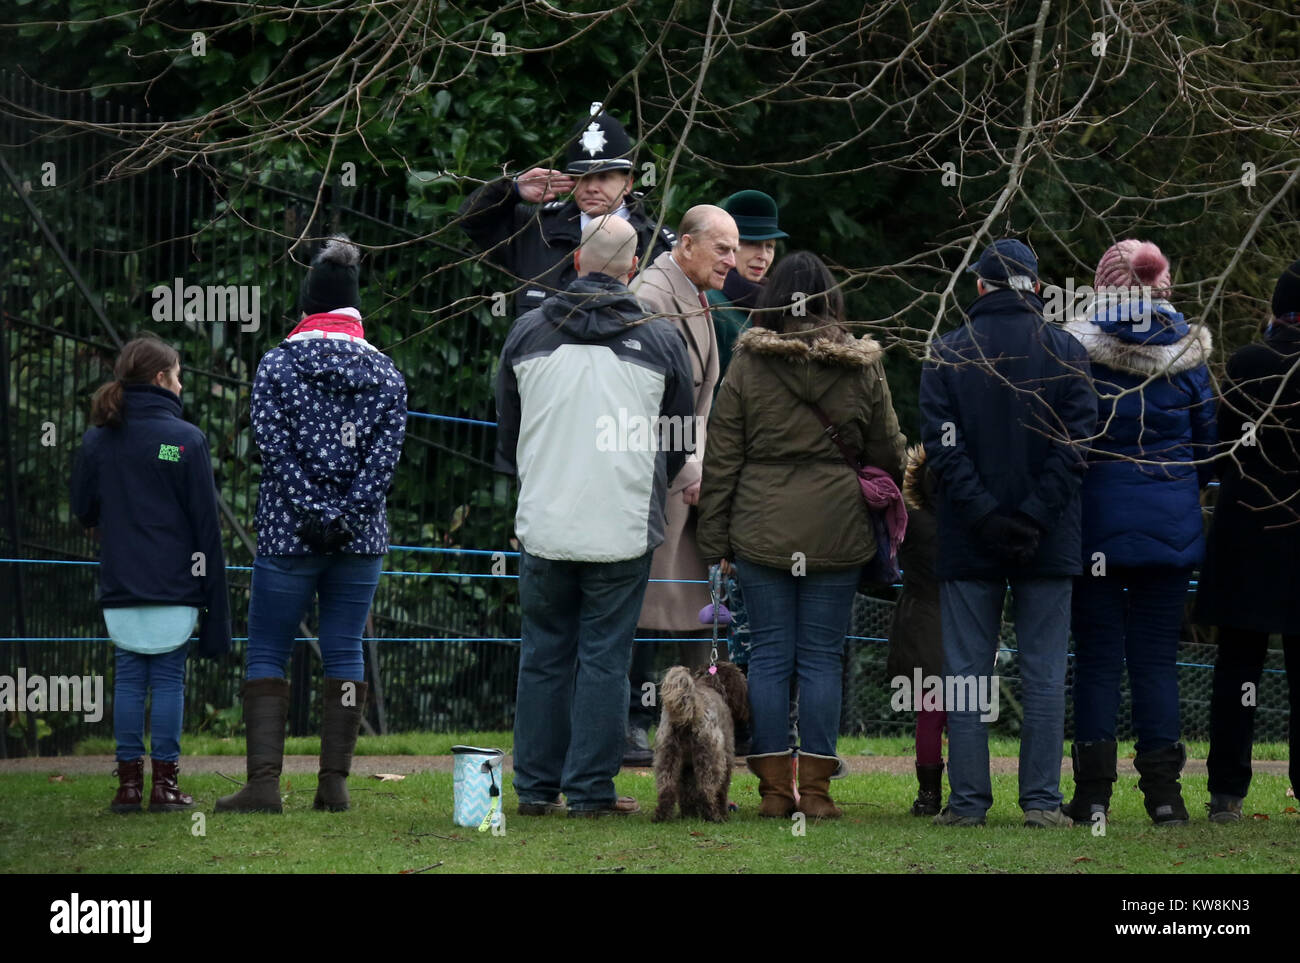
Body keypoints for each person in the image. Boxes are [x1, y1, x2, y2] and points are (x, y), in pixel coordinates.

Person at [697, 250, 907, 819]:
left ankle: (770, 793)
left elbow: (721, 458)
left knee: (767, 658)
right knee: (819, 658)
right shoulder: (861, 365)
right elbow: (888, 450)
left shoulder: (747, 365)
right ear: (832, 299)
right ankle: (814, 793)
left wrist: (714, 543)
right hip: (837, 531)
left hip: (761, 529)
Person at [497, 216, 695, 817]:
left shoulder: (527, 333)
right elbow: (680, 439)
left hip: (546, 523)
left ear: (576, 262)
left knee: (543, 656)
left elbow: (508, 435)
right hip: (624, 523)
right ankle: (589, 792)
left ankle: (534, 789)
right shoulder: (660, 339)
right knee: (605, 659)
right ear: (633, 269)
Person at [217, 235, 408, 814]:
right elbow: (383, 462)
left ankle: (264, 785)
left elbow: (273, 450)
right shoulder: (386, 374)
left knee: (268, 650)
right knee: (345, 648)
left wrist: (308, 512)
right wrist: (346, 517)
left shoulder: (277, 363)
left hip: (286, 533)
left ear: (308, 306)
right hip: (360, 540)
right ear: (354, 307)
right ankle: (334, 782)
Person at [919, 238, 1097, 828]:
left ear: (980, 287)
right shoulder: (1068, 353)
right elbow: (1075, 449)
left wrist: (987, 517)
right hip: (1048, 540)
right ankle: (1042, 802)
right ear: (1038, 289)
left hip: (972, 539)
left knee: (968, 676)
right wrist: (1034, 518)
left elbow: (945, 453)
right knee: (1044, 675)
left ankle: (968, 802)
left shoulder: (947, 354)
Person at [1061, 240, 1216, 827]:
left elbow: (1067, 437)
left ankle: (1093, 794)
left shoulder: (1076, 353)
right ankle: (1164, 797)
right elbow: (1208, 446)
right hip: (1169, 529)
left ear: (1104, 285)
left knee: (1097, 660)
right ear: (1162, 284)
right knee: (1155, 662)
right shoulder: (1189, 355)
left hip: (1096, 527)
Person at [70, 334, 231, 813]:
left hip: (121, 579)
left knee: (128, 679)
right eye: (178, 374)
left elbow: (83, 510)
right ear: (162, 378)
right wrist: (212, 593)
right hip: (174, 582)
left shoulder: (99, 439)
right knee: (166, 680)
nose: (180, 384)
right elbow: (206, 522)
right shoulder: (183, 441)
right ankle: (165, 786)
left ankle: (127, 788)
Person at [621, 204, 739, 767]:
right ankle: (630, 727)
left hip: (688, 480)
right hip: (656, 481)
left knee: (692, 611)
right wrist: (687, 463)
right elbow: (645, 398)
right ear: (687, 245)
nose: (733, 261)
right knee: (643, 607)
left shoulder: (694, 294)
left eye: (735, 249)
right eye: (723, 249)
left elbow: (703, 395)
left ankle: (698, 735)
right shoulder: (651, 296)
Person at [1196, 256, 1300, 822]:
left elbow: (1223, 443)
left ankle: (1226, 791)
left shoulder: (1247, 362)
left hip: (1248, 535)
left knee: (1239, 669)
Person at [457, 104, 677, 319]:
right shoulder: (537, 229)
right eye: (582, 178)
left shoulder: (658, 245)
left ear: (628, 183)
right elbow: (471, 219)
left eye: (603, 177)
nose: (591, 187)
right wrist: (511, 188)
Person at [886, 445, 946, 816]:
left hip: (918, 624)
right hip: (965, 624)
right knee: (967, 713)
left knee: (929, 714)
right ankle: (969, 792)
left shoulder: (910, 523)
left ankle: (928, 796)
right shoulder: (969, 527)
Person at [707, 189, 787, 382]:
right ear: (729, 245)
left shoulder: (777, 304)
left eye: (770, 246)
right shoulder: (710, 301)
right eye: (752, 243)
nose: (763, 256)